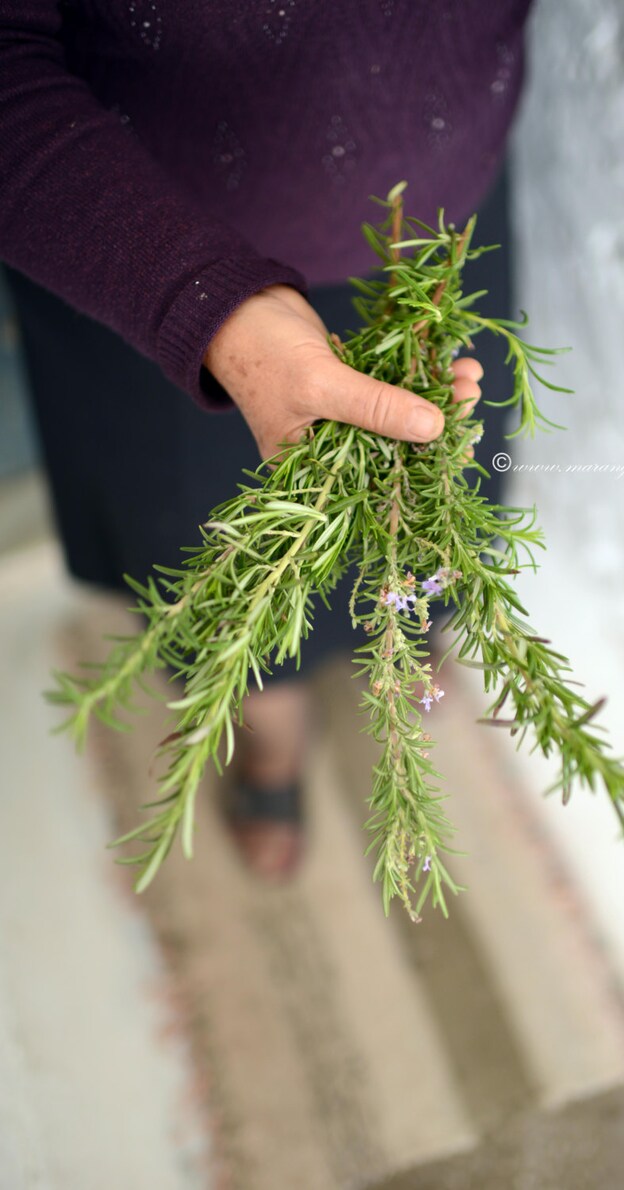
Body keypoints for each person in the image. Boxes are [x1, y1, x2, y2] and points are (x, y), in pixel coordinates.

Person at [0, 1, 536, 879]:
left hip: (438, 206)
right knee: (208, 549)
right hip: (146, 249)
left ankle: (404, 631)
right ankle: (268, 718)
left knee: (431, 501)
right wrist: (203, 308)